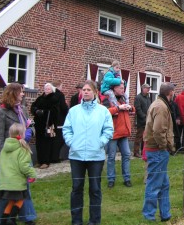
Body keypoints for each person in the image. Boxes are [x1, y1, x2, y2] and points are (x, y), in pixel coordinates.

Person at [62, 80, 114, 225]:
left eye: (88, 90)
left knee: (95, 189)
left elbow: (108, 130)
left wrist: (100, 143)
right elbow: (67, 129)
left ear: (95, 92)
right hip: (76, 156)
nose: (85, 92)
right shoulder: (74, 111)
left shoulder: (103, 111)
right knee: (77, 188)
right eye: (83, 90)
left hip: (95, 156)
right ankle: (76, 220)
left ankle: (94, 220)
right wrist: (71, 142)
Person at [0, 83, 36, 225]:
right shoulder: (0, 112)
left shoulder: (22, 109)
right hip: (9, 157)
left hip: (23, 153)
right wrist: (0, 158)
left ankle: (27, 217)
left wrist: (30, 132)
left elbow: (29, 126)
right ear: (13, 93)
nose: (23, 94)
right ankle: (1, 219)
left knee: (24, 188)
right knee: (6, 191)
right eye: (21, 92)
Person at [142, 82, 176, 222]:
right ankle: (148, 216)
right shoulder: (161, 107)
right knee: (154, 184)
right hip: (157, 150)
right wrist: (165, 146)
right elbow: (158, 130)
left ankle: (165, 214)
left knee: (163, 184)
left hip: (157, 150)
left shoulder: (158, 103)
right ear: (171, 93)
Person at [103, 83, 135, 188]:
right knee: (111, 157)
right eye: (121, 88)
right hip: (113, 133)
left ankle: (127, 178)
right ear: (114, 88)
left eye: (123, 88)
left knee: (126, 155)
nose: (123, 89)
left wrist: (130, 107)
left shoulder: (123, 98)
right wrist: (118, 108)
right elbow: (105, 112)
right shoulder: (108, 99)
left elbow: (133, 110)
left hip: (124, 133)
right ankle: (111, 179)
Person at [30, 83, 67, 169]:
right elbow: (33, 107)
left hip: (50, 125)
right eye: (46, 88)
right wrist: (36, 111)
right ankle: (40, 160)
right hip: (39, 125)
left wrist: (44, 112)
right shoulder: (40, 98)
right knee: (39, 142)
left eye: (49, 88)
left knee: (48, 142)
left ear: (52, 89)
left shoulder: (54, 98)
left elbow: (55, 111)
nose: (47, 90)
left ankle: (46, 161)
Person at [133, 84, 152, 157]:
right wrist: (144, 117)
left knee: (146, 137)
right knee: (139, 137)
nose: (148, 90)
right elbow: (138, 109)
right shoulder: (138, 97)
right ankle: (136, 152)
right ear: (143, 88)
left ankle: (143, 151)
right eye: (147, 88)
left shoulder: (148, 98)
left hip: (147, 120)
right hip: (141, 121)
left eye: (149, 88)